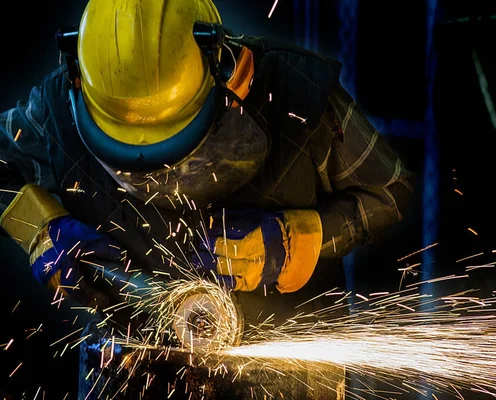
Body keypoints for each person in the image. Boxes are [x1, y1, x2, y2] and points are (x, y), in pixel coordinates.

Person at [0, 0, 415, 397]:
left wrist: (300, 239)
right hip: (123, 376)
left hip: (288, 381)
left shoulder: (296, 95)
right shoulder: (55, 106)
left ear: (219, 63)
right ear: (80, 79)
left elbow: (393, 192)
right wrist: (39, 226)